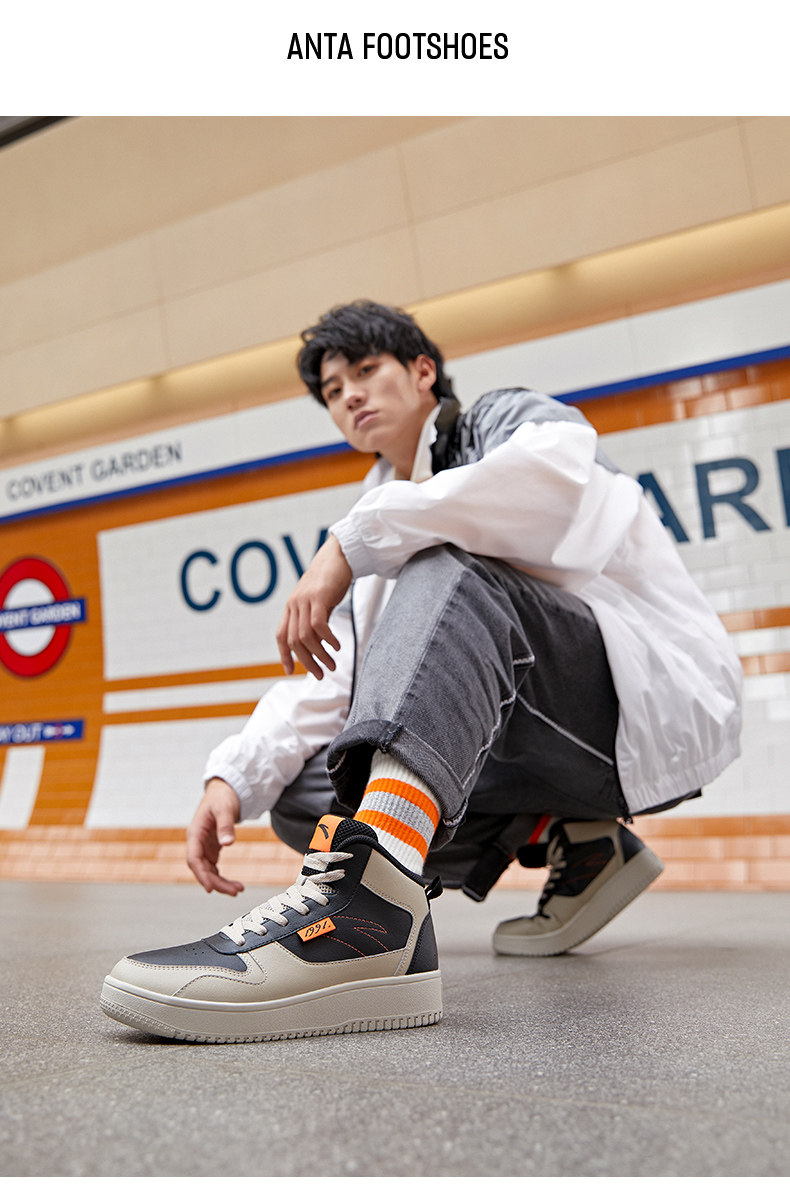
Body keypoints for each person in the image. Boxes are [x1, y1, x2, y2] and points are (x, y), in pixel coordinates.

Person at [100, 300, 742, 1043]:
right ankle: (582, 841)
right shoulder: (381, 511)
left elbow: (555, 488)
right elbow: (333, 682)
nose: (350, 395)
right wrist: (231, 779)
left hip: (638, 695)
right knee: (308, 795)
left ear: (423, 371)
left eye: (365, 371)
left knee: (446, 561)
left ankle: (370, 912)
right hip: (544, 736)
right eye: (333, 390)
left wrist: (350, 543)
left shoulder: (500, 420)